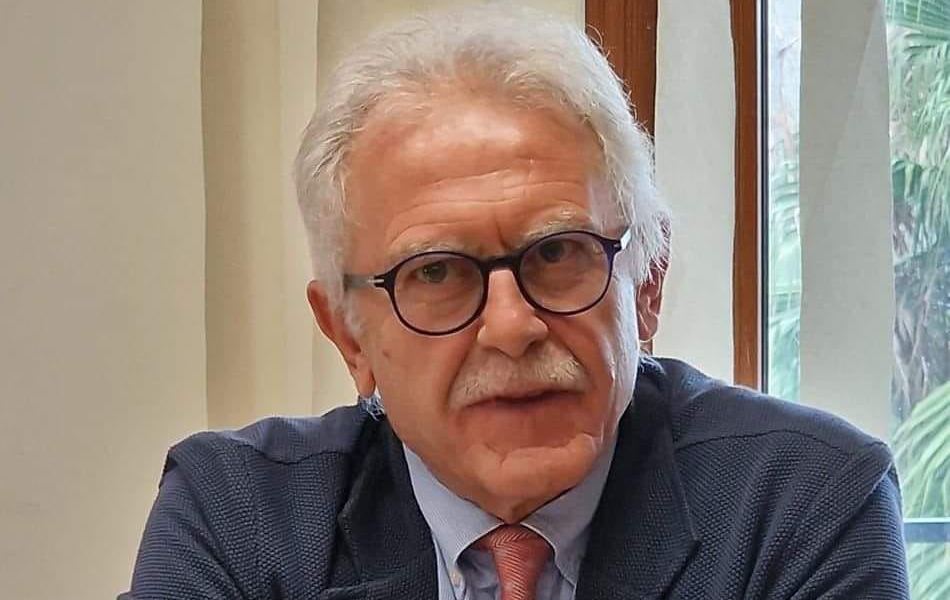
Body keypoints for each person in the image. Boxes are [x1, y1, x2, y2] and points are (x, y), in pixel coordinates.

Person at [123, 6, 908, 599]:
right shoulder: (238, 517)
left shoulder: (804, 502)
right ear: (350, 336)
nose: (511, 327)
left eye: (557, 253)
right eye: (436, 273)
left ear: (648, 282)